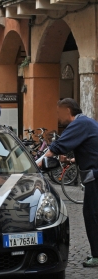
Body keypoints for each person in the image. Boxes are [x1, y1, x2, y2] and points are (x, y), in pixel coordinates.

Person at [40, 98, 98, 267]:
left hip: (95, 175)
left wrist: (35, 164)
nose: (58, 117)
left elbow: (58, 146)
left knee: (92, 215)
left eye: (59, 113)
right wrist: (73, 160)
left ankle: (97, 255)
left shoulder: (79, 124)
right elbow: (90, 148)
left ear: (67, 111)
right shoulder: (86, 122)